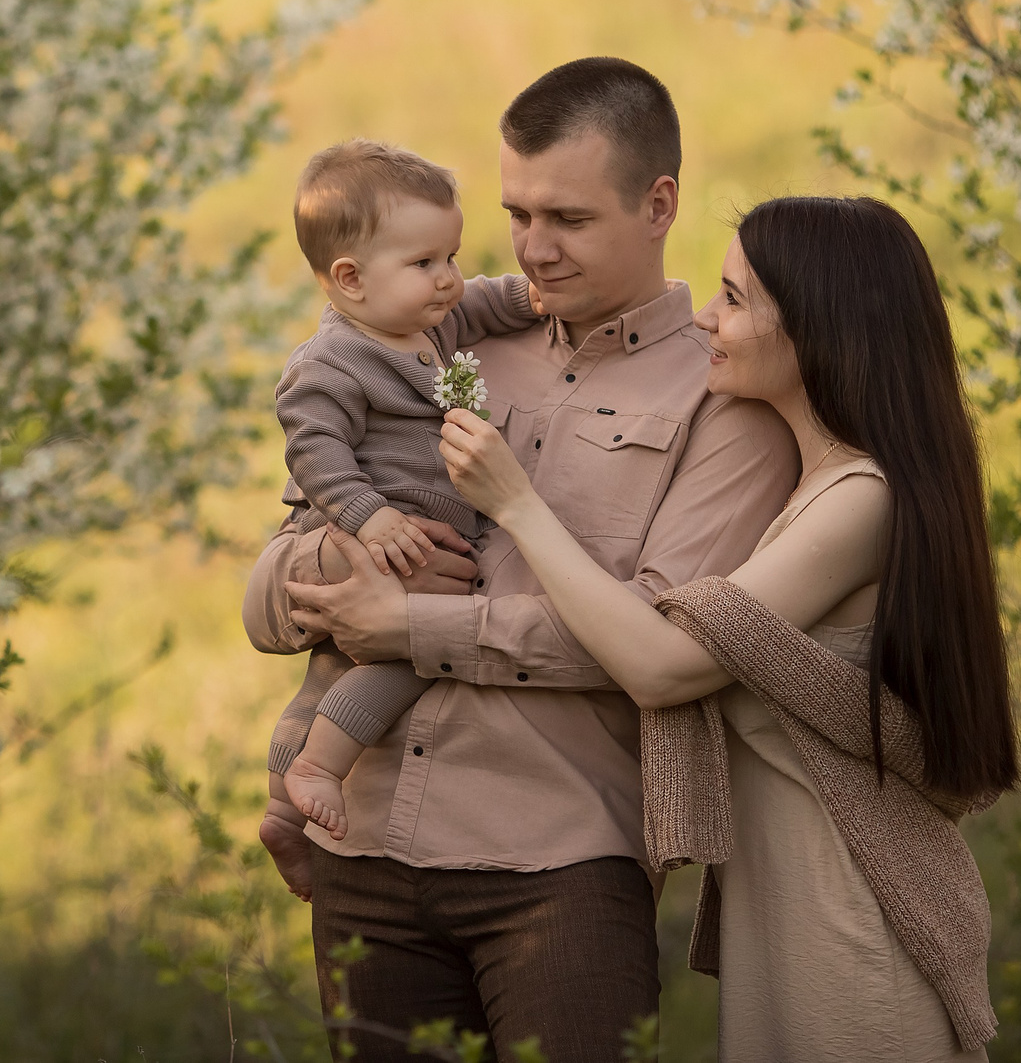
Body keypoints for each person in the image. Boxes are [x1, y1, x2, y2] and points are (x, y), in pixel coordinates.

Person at [243, 58, 799, 1063]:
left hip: (557, 866)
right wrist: (331, 564)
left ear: (658, 202)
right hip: (363, 848)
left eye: (570, 221)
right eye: (518, 214)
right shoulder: (440, 339)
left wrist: (407, 625)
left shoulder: (723, 399)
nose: (533, 251)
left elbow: (660, 642)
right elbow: (268, 588)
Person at [436, 196, 1020, 1062]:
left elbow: (664, 665)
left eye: (736, 298)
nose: (708, 314)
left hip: (851, 939)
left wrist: (516, 503)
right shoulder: (807, 494)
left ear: (820, 327)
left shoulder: (864, 498)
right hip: (785, 934)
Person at [263, 140, 541, 855]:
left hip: (415, 540)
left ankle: (281, 807)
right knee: (401, 659)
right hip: (378, 537)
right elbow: (313, 449)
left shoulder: (425, 319)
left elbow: (481, 299)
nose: (449, 278)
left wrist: (529, 294)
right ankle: (318, 769)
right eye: (426, 264)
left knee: (330, 673)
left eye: (449, 255)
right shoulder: (331, 361)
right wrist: (370, 517)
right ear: (350, 279)